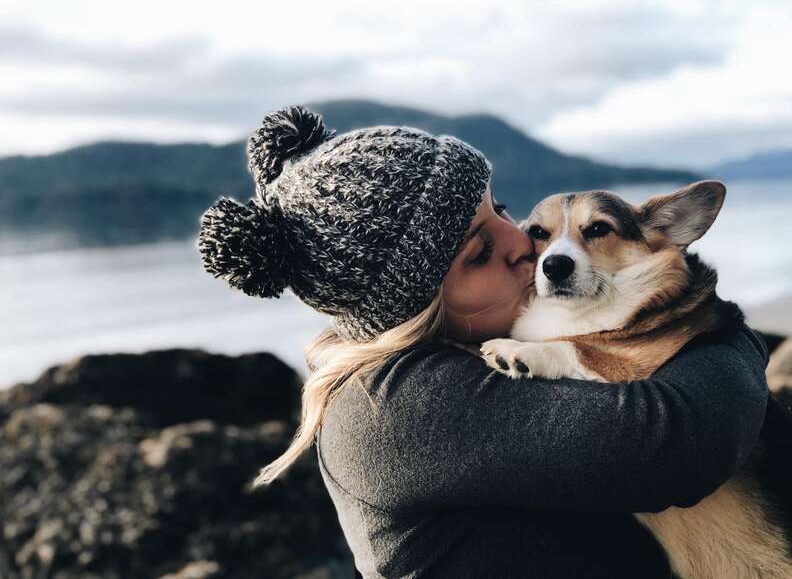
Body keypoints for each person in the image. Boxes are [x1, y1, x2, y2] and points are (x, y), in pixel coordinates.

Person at [198, 105, 770, 578]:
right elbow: (680, 442)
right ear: (415, 306)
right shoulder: (394, 405)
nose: (524, 244)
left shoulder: (465, 357)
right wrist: (716, 327)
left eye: (499, 209)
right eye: (478, 252)